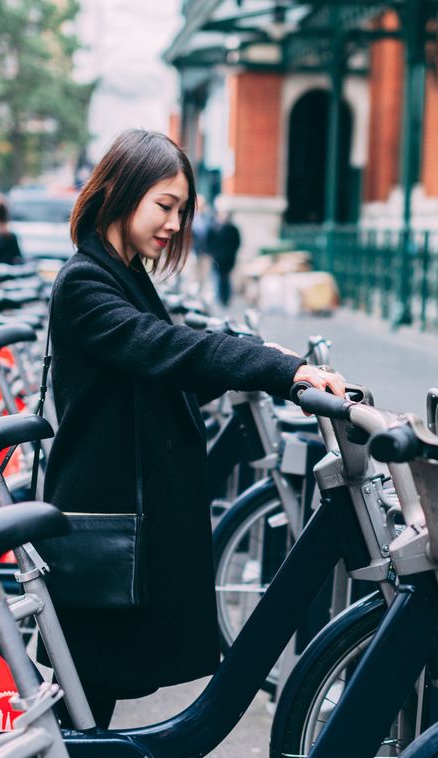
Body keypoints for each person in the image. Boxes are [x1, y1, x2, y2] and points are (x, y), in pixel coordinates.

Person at [43, 129, 346, 723]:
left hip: (119, 510)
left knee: (84, 703)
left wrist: (262, 358)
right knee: (81, 700)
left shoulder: (122, 272)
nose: (175, 225)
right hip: (105, 515)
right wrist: (276, 370)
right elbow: (164, 349)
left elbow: (164, 372)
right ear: (121, 191)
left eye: (182, 212)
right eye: (165, 205)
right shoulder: (85, 281)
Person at [208, 210, 241, 307]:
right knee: (221, 278)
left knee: (223, 278)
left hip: (226, 258)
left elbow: (236, 244)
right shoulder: (215, 228)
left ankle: (223, 297)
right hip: (220, 258)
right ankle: (222, 297)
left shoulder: (230, 229)